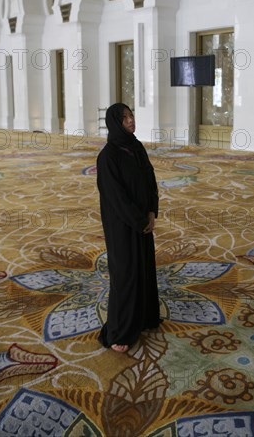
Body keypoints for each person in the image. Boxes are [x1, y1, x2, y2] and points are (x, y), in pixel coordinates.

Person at [96, 103, 161, 353]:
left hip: (144, 221)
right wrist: (139, 221)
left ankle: (145, 318)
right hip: (122, 226)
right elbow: (116, 198)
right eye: (124, 118)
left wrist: (151, 212)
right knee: (126, 275)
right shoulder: (108, 156)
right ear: (114, 123)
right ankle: (119, 332)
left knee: (144, 269)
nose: (131, 121)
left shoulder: (136, 146)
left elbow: (150, 179)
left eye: (131, 116)